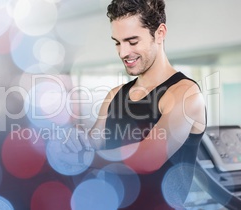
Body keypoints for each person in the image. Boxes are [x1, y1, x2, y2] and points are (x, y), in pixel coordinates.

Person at [63, 0, 207, 209]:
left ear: (159, 33)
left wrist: (85, 157)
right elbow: (92, 143)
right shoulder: (114, 96)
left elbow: (147, 159)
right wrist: (74, 140)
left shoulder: (185, 93)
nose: (123, 53)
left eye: (132, 41)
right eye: (117, 42)